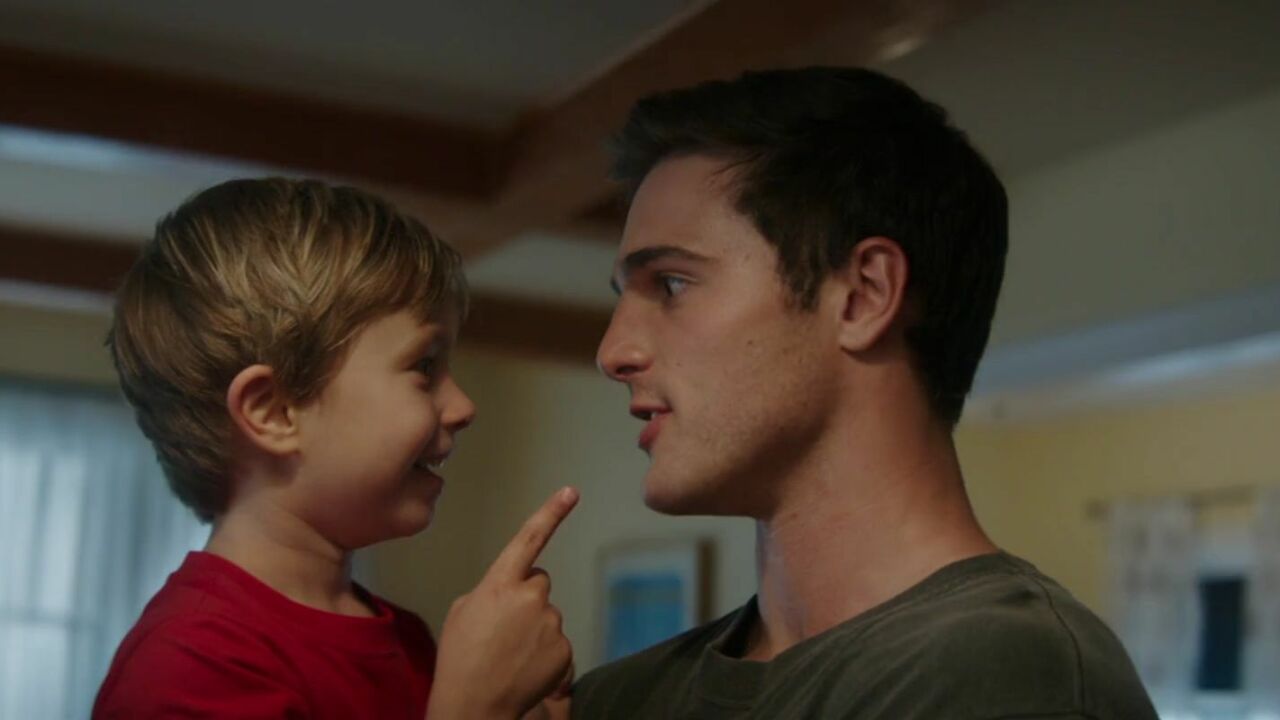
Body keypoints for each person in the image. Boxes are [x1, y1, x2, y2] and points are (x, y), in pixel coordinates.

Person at [574, 67, 1157, 719]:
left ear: (864, 296)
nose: (612, 353)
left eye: (672, 284)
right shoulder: (616, 697)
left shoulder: (1008, 678)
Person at [93, 178, 574, 719]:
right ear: (275, 411)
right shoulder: (190, 665)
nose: (464, 406)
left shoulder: (407, 641)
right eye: (424, 366)